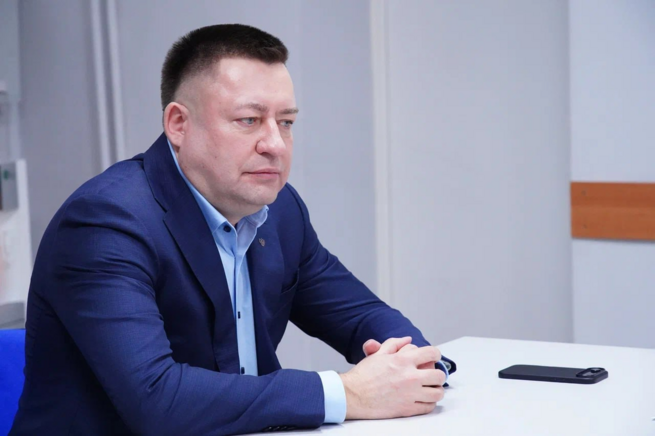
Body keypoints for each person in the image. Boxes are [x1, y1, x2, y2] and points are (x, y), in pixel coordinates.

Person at [10, 24, 455, 436]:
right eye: (249, 120)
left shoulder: (280, 210)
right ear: (179, 124)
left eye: (286, 122)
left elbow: (360, 315)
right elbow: (157, 399)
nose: (275, 144)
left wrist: (415, 367)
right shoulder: (105, 222)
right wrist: (347, 393)